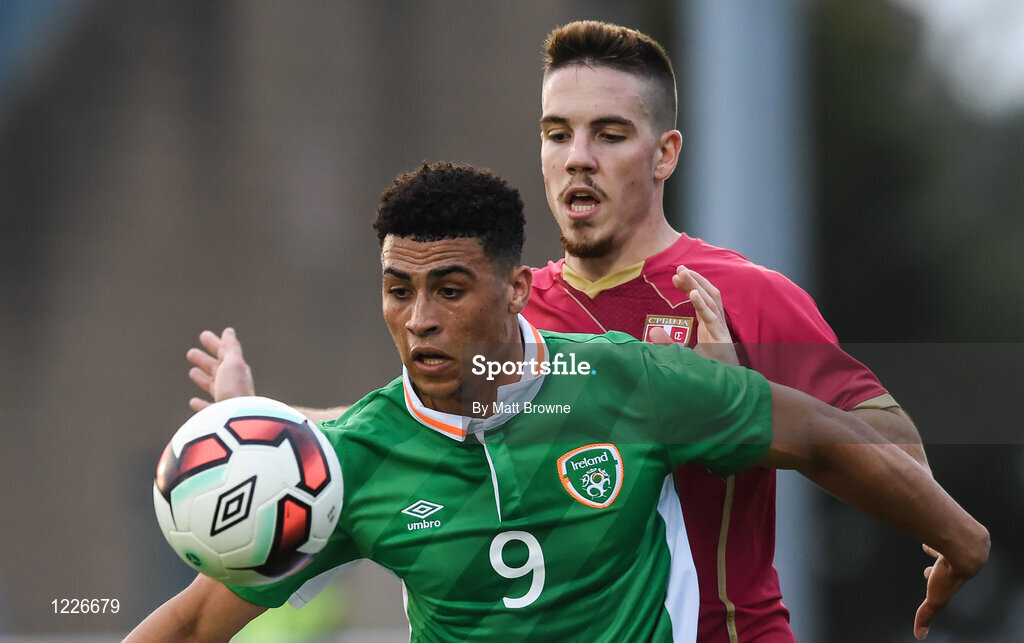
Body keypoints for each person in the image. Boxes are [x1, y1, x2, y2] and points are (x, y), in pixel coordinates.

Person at [130, 162, 988, 642]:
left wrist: (961, 537)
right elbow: (193, 623)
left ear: (514, 287)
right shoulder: (350, 466)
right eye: (396, 290)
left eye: (450, 289)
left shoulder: (626, 381)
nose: (419, 320)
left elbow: (828, 438)